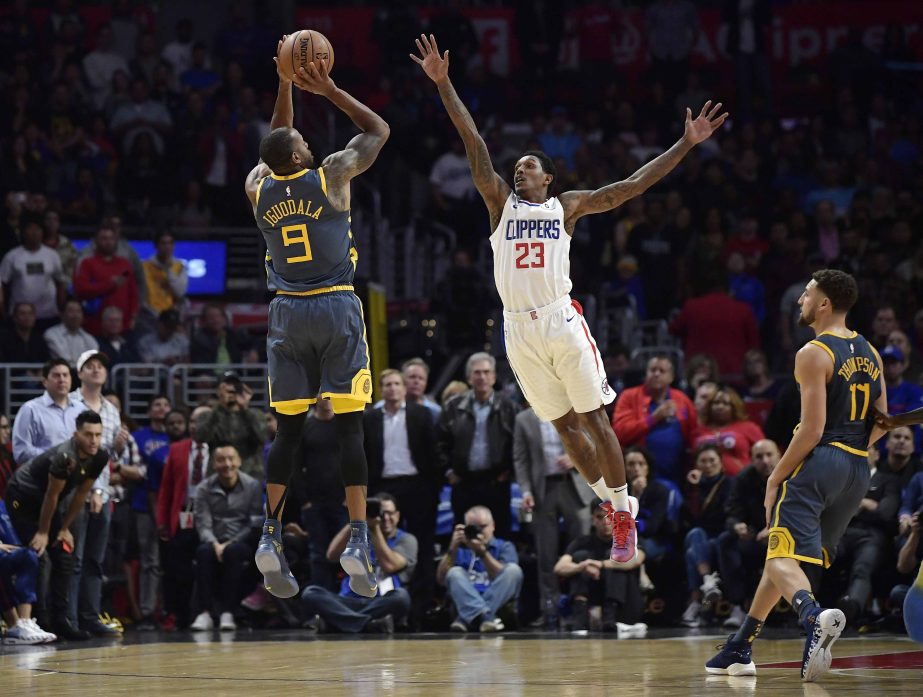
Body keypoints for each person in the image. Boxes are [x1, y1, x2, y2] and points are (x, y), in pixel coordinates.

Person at [413, 33, 727, 563]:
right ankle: (609, 503)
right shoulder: (499, 206)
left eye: (531, 166)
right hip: (517, 330)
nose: (520, 170)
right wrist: (444, 85)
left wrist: (686, 144)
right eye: (518, 167)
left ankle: (624, 514)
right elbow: (473, 142)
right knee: (562, 429)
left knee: (594, 419)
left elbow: (631, 185)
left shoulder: (568, 206)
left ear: (550, 178)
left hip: (561, 319)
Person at [247, 38, 389, 600]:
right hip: (334, 305)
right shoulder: (331, 174)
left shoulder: (258, 188)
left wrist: (284, 80)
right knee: (351, 426)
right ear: (303, 158)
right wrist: (327, 89)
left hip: (285, 313)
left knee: (290, 429)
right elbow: (377, 131)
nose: (308, 138)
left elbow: (275, 143)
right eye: (304, 140)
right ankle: (357, 538)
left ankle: (270, 532)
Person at [706, 269, 888, 682]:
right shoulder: (872, 353)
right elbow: (881, 422)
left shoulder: (813, 352)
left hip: (821, 461)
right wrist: (855, 448)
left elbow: (812, 429)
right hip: (858, 467)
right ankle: (741, 645)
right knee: (782, 556)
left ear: (824, 303)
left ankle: (812, 617)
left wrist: (775, 479)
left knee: (778, 554)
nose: (800, 301)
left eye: (806, 295)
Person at [4, 410, 109, 640]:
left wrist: (63, 529)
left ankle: (61, 621)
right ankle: (40, 620)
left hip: (50, 504)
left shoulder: (100, 456)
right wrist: (43, 532)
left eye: (98, 435)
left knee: (64, 555)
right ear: (76, 434)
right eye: (88, 435)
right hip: (23, 498)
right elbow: (51, 496)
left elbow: (81, 494)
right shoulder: (64, 457)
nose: (93, 440)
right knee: (39, 554)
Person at [514, 404, 594, 627]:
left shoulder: (575, 409)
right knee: (546, 554)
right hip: (543, 490)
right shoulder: (523, 419)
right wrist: (526, 491)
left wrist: (575, 458)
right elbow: (520, 460)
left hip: (575, 486)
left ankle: (581, 606)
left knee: (580, 550)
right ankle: (550, 610)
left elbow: (596, 442)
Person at [363, 369, 439, 604]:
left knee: (422, 544)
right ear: (381, 389)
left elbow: (433, 454)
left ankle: (422, 603)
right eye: (387, 384)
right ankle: (381, 597)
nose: (393, 388)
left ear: (404, 388)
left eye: (397, 384)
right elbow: (364, 455)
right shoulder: (370, 418)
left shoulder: (422, 414)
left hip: (417, 485)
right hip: (383, 487)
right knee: (380, 540)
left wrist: (432, 488)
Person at [67, 350, 124, 637]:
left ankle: (89, 617)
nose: (97, 370)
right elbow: (74, 452)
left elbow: (108, 458)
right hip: (75, 492)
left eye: (101, 365)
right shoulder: (70, 404)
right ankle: (69, 619)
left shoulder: (112, 410)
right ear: (80, 373)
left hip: (102, 493)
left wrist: (120, 447)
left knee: (94, 560)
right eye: (90, 366)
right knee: (73, 559)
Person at [301, 493, 416, 634]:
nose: (385, 518)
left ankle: (339, 623)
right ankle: (368, 625)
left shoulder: (406, 540)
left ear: (398, 515)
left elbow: (390, 565)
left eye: (389, 513)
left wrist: (375, 529)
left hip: (381, 602)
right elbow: (332, 556)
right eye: (380, 513)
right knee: (310, 593)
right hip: (347, 602)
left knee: (401, 597)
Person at [437, 353, 518, 538]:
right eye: (477, 372)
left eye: (486, 372)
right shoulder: (453, 407)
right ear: (469, 378)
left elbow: (517, 445)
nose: (482, 377)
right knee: (463, 536)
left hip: (496, 482)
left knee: (500, 535)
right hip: (463, 482)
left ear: (494, 377)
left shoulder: (509, 407)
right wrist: (448, 472)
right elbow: (439, 443)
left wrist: (509, 471)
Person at [189, 444, 263, 632]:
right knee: (203, 552)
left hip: (241, 541)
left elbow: (253, 523)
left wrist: (230, 543)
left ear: (239, 461)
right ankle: (204, 613)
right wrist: (214, 543)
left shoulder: (252, 486)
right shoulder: (203, 489)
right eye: (221, 460)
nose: (227, 464)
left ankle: (228, 612)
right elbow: (203, 523)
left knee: (233, 552)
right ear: (213, 464)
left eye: (231, 459)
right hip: (213, 539)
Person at [156, 405, 211, 629]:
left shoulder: (220, 449)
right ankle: (179, 615)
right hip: (183, 514)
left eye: (202, 421)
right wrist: (162, 521)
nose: (196, 426)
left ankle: (207, 612)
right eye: (194, 421)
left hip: (210, 517)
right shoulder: (178, 449)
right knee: (179, 569)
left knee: (207, 567)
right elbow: (166, 489)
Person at [554, 499, 647, 633]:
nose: (606, 521)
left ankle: (612, 616)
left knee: (616, 555)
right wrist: (582, 566)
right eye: (600, 517)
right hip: (594, 596)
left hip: (626, 601)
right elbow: (559, 567)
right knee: (581, 557)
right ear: (593, 519)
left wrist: (601, 564)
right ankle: (580, 617)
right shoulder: (582, 541)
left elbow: (636, 560)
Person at [716, 439, 779, 629]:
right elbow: (732, 511)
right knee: (725, 541)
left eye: (769, 455)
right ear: (751, 459)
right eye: (759, 457)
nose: (765, 460)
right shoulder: (744, 478)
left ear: (779, 455)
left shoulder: (791, 475)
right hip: (754, 537)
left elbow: (800, 510)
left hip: (785, 534)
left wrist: (774, 528)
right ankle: (737, 606)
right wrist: (737, 526)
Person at [612, 355, 698, 486]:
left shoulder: (682, 399)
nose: (656, 374)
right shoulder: (629, 396)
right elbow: (620, 433)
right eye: (652, 370)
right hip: (637, 473)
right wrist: (653, 419)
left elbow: (694, 433)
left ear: (671, 377)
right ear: (646, 374)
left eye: (662, 371)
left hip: (676, 472)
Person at [436, 505, 522, 633]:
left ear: (493, 526)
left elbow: (507, 578)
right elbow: (441, 579)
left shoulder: (504, 547)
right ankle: (485, 617)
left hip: (497, 602)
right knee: (454, 572)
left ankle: (466, 619)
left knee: (513, 570)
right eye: (473, 528)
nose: (479, 532)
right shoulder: (458, 550)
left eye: (483, 527)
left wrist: (482, 553)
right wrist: (452, 548)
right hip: (466, 602)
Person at [681, 444, 733, 627]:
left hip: (719, 536)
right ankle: (707, 581)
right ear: (696, 464)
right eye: (703, 461)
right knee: (696, 534)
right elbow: (690, 518)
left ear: (721, 463)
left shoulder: (729, 484)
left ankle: (697, 604)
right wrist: (694, 489)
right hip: (697, 535)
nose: (708, 465)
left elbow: (727, 514)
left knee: (691, 554)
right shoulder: (692, 486)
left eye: (712, 460)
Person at [0, 499, 57, 644]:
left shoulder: (3, 503)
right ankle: (13, 625)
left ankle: (24, 622)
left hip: (7, 550)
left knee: (29, 555)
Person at [73, 223, 140, 336]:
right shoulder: (87, 263)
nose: (108, 242)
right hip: (95, 327)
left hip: (123, 327)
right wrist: (109, 285)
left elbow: (133, 292)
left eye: (111, 238)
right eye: (104, 238)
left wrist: (133, 316)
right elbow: (81, 290)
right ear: (96, 241)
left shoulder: (124, 265)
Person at [197, 372, 266, 480]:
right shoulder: (208, 415)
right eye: (226, 386)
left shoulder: (255, 414)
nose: (231, 389)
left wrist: (245, 409)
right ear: (218, 391)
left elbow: (262, 438)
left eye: (235, 385)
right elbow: (200, 437)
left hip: (250, 475)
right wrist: (220, 406)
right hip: (218, 476)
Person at [12, 359, 82, 465]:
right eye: (56, 375)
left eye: (65, 375)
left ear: (71, 379)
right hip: (43, 477)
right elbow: (21, 452)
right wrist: (55, 457)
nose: (62, 379)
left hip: (77, 477)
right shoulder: (30, 410)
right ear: (45, 381)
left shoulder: (81, 409)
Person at [0, 217, 65, 325]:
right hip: (20, 316)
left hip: (48, 314)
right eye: (30, 229)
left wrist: (61, 308)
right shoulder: (12, 256)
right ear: (23, 233)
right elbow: (2, 283)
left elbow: (60, 283)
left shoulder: (52, 255)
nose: (34, 233)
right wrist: (2, 309)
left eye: (38, 229)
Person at [692, 386, 765, 476]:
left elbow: (765, 453)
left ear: (734, 407)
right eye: (716, 403)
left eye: (725, 403)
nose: (720, 406)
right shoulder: (698, 431)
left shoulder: (749, 427)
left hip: (741, 482)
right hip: (706, 484)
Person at [43, 298, 99, 367]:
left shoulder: (89, 338)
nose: (75, 315)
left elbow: (94, 360)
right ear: (62, 314)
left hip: (84, 375)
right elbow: (64, 361)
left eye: (78, 311)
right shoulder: (51, 334)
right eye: (71, 311)